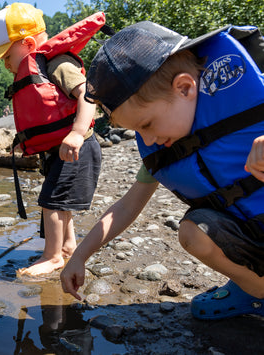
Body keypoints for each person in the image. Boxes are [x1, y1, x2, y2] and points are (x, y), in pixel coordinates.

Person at [60, 21, 264, 320]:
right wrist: (79, 256)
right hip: (251, 236)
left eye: (146, 125)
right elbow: (127, 206)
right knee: (194, 230)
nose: (148, 141)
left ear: (184, 88)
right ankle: (255, 289)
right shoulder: (166, 151)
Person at [0, 3, 104, 276]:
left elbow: (88, 95)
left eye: (7, 56)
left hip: (79, 146)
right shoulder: (37, 67)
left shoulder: (57, 63)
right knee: (59, 201)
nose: (6, 64)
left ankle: (53, 256)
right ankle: (67, 247)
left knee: (51, 201)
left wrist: (77, 133)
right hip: (59, 150)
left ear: (29, 43)